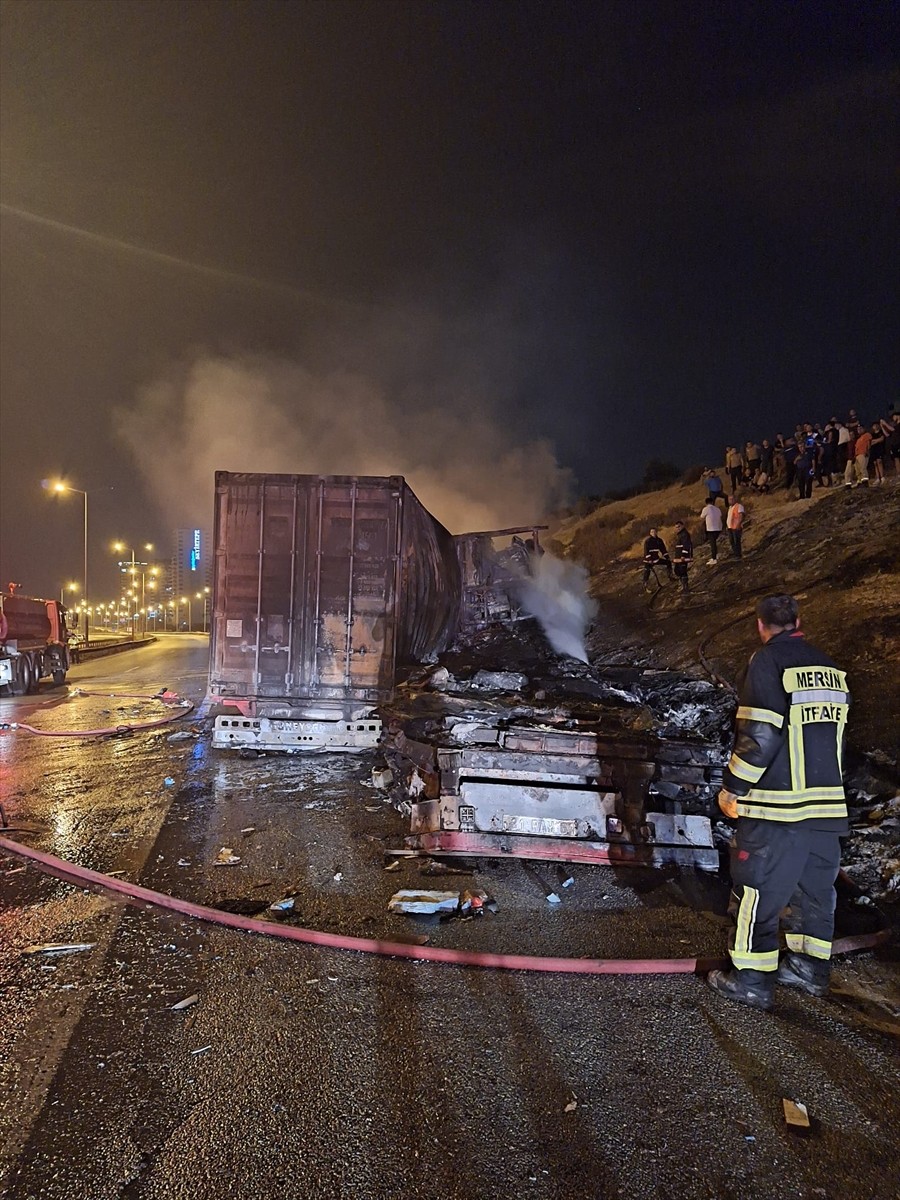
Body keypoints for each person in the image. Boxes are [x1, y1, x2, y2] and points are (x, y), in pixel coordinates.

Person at [707, 595, 850, 1011]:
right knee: (814, 892)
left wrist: (733, 787)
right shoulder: (831, 669)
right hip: (826, 808)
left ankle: (751, 980)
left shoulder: (767, 662)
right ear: (798, 621)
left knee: (757, 890)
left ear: (760, 625)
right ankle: (809, 969)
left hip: (778, 808)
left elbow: (760, 734)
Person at [672, 520, 693, 593]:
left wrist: (684, 555)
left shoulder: (685, 534)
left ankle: (685, 587)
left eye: (679, 526)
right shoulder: (680, 535)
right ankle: (683, 585)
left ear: (682, 526)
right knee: (677, 571)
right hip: (678, 556)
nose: (678, 528)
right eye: (676, 527)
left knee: (683, 571)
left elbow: (686, 545)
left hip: (683, 557)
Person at [700, 498, 723, 564]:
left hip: (711, 529)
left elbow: (702, 517)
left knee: (713, 544)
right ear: (712, 502)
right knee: (714, 542)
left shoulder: (706, 509)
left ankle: (714, 558)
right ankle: (716, 555)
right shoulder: (717, 509)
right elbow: (720, 516)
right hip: (718, 528)